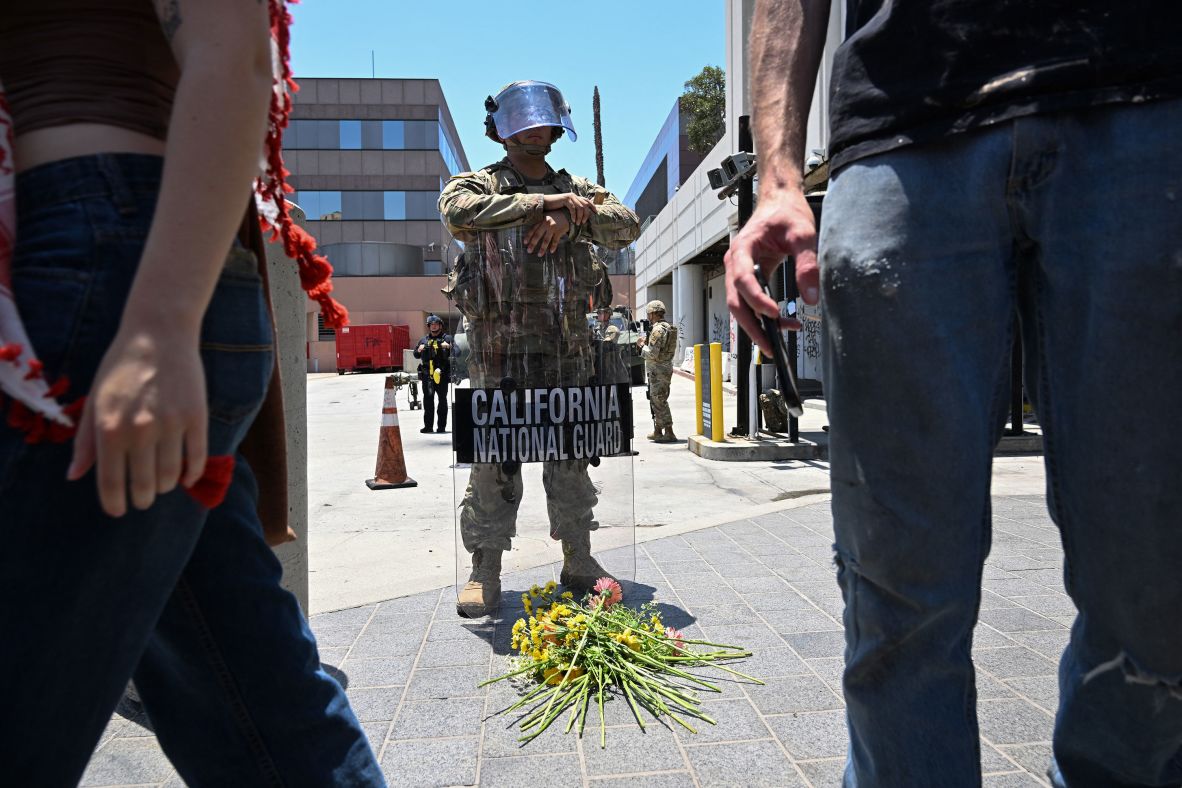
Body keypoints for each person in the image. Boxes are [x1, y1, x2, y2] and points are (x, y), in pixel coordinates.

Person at [725, 1, 1182, 786]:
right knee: (896, 597)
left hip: (1146, 100)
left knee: (1155, 583)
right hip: (904, 128)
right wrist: (777, 176)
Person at [0, 2, 383, 784]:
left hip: (98, 273)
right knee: (262, 715)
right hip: (103, 268)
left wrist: (156, 329)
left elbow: (231, 51)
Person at [439, 80, 640, 617]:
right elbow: (458, 213)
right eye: (523, 121)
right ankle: (484, 570)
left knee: (570, 458)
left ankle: (579, 560)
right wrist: (542, 204)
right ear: (501, 130)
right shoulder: (478, 183)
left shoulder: (580, 188)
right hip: (497, 353)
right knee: (493, 463)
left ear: (555, 128)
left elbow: (626, 225)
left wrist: (572, 211)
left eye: (543, 121)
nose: (535, 130)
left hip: (566, 351)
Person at [637, 299, 677, 442]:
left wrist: (641, 346)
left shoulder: (657, 330)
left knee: (659, 400)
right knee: (657, 399)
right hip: (665, 367)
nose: (648, 316)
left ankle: (669, 431)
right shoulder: (668, 327)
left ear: (653, 313)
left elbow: (652, 353)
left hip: (657, 369)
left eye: (649, 314)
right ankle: (658, 430)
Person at [412, 313, 454, 433]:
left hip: (442, 375)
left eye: (436, 324)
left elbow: (458, 351)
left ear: (440, 326)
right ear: (429, 326)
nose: (434, 327)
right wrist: (419, 349)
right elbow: (415, 355)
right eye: (432, 325)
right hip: (427, 375)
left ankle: (441, 427)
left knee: (442, 400)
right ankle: (428, 426)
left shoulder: (447, 338)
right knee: (428, 401)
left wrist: (449, 347)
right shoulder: (424, 340)